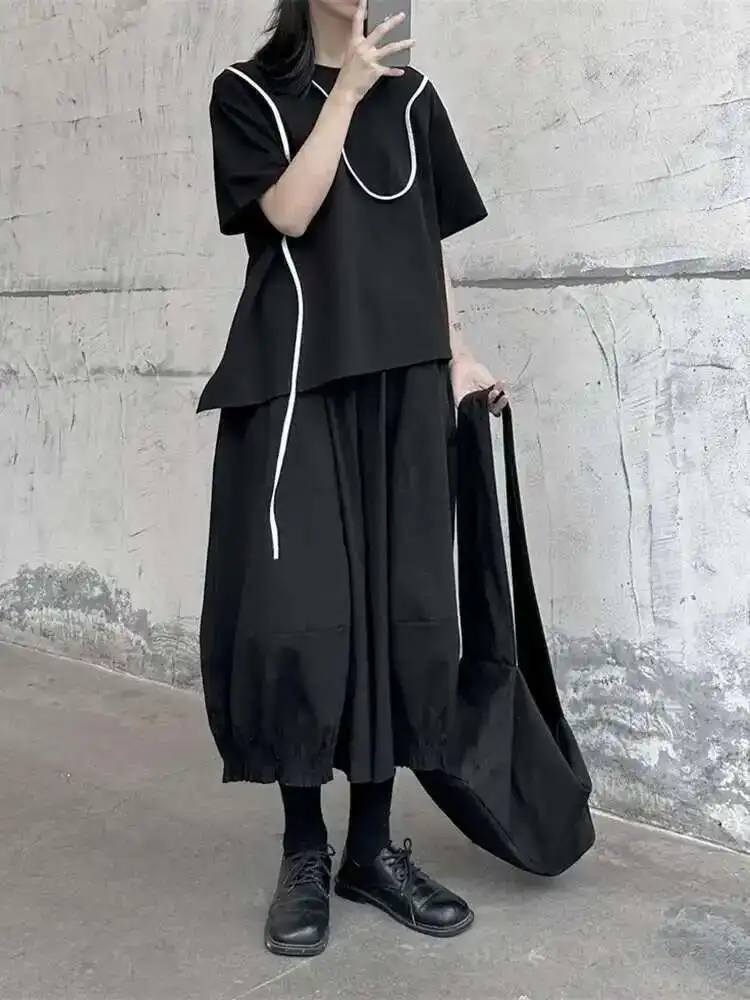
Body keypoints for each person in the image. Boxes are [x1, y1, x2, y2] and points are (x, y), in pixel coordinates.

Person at [198, 0, 507, 958]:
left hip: (402, 384)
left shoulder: (415, 100)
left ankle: (371, 849)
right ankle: (305, 848)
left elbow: (425, 241)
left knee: (396, 610)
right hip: (297, 385)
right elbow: (286, 212)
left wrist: (458, 353)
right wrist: (345, 93)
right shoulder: (247, 93)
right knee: (299, 615)